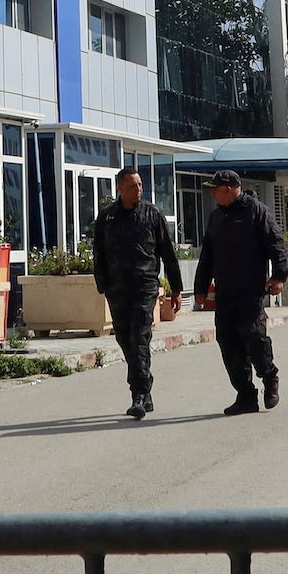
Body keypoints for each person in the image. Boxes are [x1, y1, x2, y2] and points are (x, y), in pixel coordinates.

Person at [193, 170, 288, 416]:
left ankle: (269, 378)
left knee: (255, 338)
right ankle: (246, 395)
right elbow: (207, 256)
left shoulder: (256, 211)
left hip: (250, 291)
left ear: (228, 189)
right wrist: (200, 288)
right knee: (228, 342)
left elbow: (277, 244)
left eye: (215, 189)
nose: (212, 193)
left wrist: (279, 276)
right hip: (225, 292)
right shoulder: (216, 217)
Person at [90, 164, 183, 421]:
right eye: (133, 186)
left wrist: (176, 289)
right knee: (125, 338)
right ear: (120, 188)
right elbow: (99, 253)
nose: (139, 190)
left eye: (140, 185)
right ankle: (145, 384)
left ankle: (139, 395)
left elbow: (168, 254)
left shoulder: (152, 214)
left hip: (145, 286)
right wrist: (102, 283)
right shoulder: (107, 218)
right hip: (117, 289)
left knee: (140, 337)